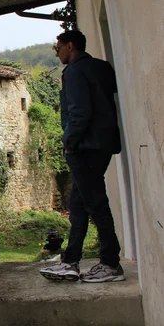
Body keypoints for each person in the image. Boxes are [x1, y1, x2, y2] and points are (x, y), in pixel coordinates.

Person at [40, 30, 124, 283]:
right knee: (77, 205)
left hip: (84, 147)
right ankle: (70, 262)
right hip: (103, 144)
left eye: (59, 48)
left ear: (71, 46)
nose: (57, 53)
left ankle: (111, 264)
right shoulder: (101, 67)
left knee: (96, 204)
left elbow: (79, 112)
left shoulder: (75, 71)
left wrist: (69, 142)